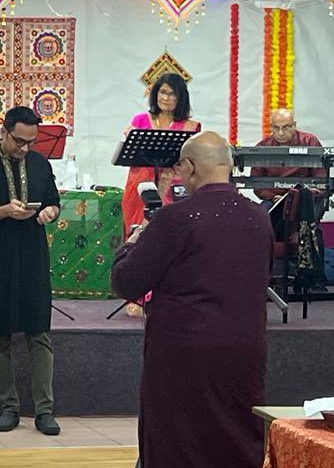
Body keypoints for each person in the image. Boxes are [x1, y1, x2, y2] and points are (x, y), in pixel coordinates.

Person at [111, 131, 272, 468]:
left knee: (178, 439)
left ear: (190, 167)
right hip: (244, 349)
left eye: (181, 168)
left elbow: (127, 282)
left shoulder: (176, 218)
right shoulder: (259, 218)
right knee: (236, 434)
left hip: (183, 353)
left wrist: (133, 243)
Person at [0, 107, 62, 436]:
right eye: (19, 141)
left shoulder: (40, 164)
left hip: (32, 254)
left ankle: (44, 410)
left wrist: (48, 212)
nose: (25, 148)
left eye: (32, 142)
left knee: (39, 334)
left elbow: (54, 202)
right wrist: (4, 211)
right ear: (2, 132)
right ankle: (9, 407)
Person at [121, 73, 201, 232]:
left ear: (180, 98)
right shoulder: (140, 120)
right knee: (138, 236)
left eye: (172, 94)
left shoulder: (190, 126)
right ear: (156, 93)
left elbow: (192, 162)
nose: (166, 98)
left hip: (174, 190)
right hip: (141, 187)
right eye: (163, 92)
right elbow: (132, 156)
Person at [250, 108, 326, 208]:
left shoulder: (310, 142)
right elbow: (257, 185)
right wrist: (274, 197)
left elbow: (321, 178)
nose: (281, 133)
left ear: (294, 125)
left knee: (307, 213)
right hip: (274, 199)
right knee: (263, 216)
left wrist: (309, 192)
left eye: (285, 127)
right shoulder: (262, 147)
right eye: (276, 128)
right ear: (271, 127)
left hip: (305, 197)